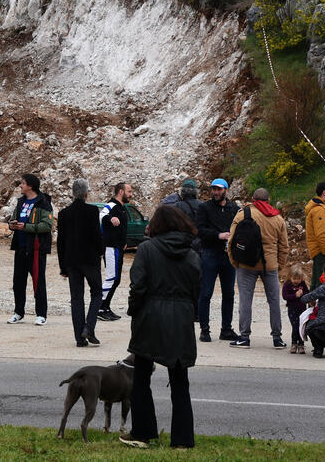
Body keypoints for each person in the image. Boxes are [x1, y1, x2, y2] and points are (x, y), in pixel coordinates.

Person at [120, 205, 199, 450]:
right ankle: (183, 440)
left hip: (151, 316)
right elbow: (197, 290)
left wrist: (134, 309)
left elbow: (138, 285)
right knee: (179, 381)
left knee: (141, 376)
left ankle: (142, 433)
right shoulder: (192, 254)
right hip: (181, 318)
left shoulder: (146, 249)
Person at [226, 187, 288, 350]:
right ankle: (277, 338)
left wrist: (235, 263)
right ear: (268, 200)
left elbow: (231, 241)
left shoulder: (242, 214)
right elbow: (284, 246)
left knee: (246, 300)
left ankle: (244, 337)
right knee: (274, 301)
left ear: (253, 199)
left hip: (247, 263)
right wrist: (278, 265)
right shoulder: (277, 217)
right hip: (270, 265)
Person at [56, 179, 105, 347]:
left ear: (72, 193)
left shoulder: (63, 213)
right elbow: (96, 235)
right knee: (97, 292)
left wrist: (62, 266)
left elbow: (60, 242)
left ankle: (79, 338)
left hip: (71, 261)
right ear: (86, 193)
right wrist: (101, 252)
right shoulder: (92, 211)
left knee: (76, 298)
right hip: (90, 259)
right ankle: (89, 327)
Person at [195, 178, 239, 342]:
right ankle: (204, 330)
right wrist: (218, 235)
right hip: (209, 253)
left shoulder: (234, 209)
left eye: (219, 189)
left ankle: (226, 329)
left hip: (228, 256)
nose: (215, 192)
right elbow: (199, 230)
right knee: (206, 293)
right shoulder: (204, 208)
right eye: (213, 189)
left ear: (226, 191)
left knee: (229, 294)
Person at [7, 173, 53, 325]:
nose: (20, 186)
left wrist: (26, 227)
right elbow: (14, 218)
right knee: (18, 282)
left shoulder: (43, 203)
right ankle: (18, 312)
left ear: (30, 186)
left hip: (36, 249)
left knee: (38, 282)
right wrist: (12, 224)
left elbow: (47, 225)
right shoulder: (21, 202)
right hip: (20, 248)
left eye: (23, 183)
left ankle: (41, 314)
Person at [98, 182, 132, 321]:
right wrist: (110, 218)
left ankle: (105, 306)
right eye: (129, 191)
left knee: (116, 279)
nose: (131, 194)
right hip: (111, 247)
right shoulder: (112, 205)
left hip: (118, 248)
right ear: (120, 192)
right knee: (111, 278)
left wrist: (124, 243)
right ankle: (99, 307)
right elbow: (102, 215)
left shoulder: (122, 208)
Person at [282, 267, 310, 354]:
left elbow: (307, 294)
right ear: (290, 277)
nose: (296, 281)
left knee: (301, 326)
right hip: (292, 309)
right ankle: (294, 343)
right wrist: (295, 295)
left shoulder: (302, 284)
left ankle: (301, 344)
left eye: (298, 279)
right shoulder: (287, 284)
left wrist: (302, 294)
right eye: (294, 278)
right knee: (295, 326)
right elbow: (285, 296)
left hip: (302, 309)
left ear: (301, 278)